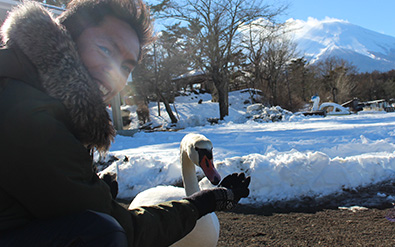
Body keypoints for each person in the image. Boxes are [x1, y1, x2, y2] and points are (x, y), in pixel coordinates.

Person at [0, 0, 251, 246]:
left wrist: (91, 191)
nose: (113, 73)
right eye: (105, 49)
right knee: (99, 233)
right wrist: (204, 203)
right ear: (65, 40)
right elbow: (127, 231)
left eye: (125, 67)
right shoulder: (24, 110)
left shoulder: (27, 90)